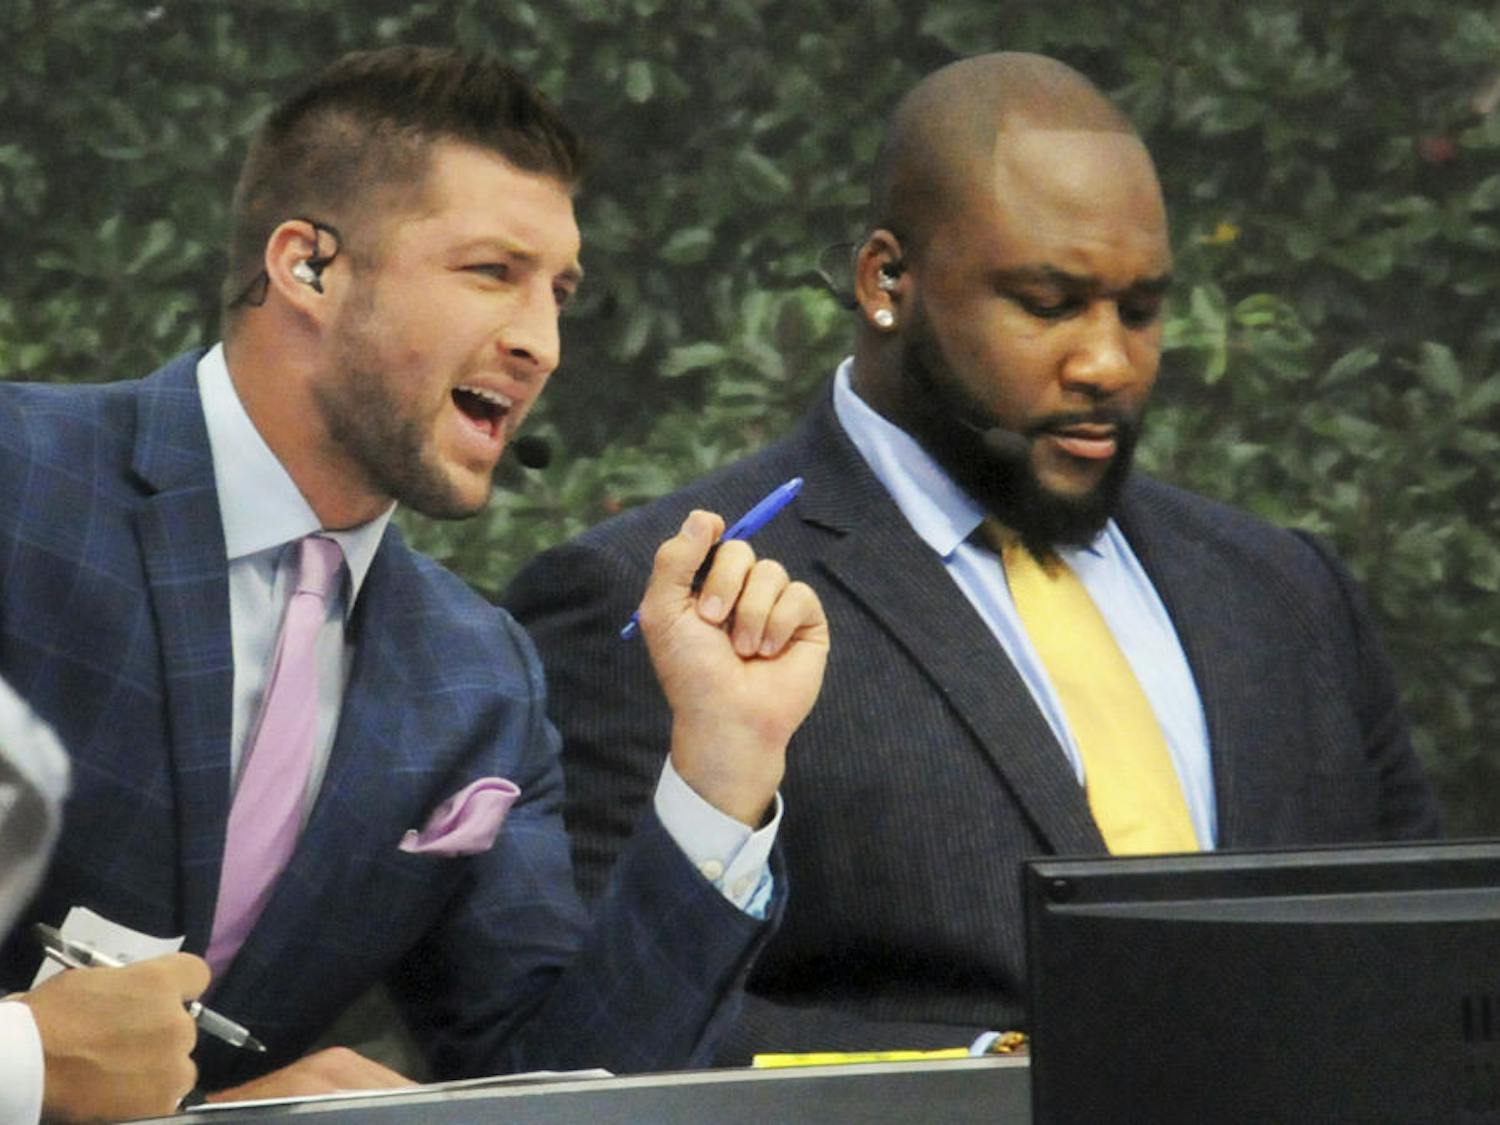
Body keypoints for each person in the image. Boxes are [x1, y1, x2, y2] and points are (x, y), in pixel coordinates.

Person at [502, 51, 1440, 1061]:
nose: (1108, 363)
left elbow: (1436, 965)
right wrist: (982, 1077)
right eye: (1048, 304)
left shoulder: (1288, 592)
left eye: (1140, 310)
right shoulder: (672, 597)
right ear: (887, 281)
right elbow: (586, 1055)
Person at [0, 45, 828, 1113]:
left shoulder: (479, 678)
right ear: (309, 267)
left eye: (560, 292)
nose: (542, 343)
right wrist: (23, 1061)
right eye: (493, 272)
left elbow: (562, 1092)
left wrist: (724, 768)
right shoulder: (18, 480)